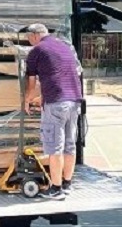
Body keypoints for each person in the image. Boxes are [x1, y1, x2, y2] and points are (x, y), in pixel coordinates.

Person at [23, 23, 83, 200]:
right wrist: (44, 96)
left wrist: (27, 100)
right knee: (70, 145)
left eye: (28, 38)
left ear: (35, 35)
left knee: (54, 146)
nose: (29, 41)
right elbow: (62, 76)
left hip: (56, 104)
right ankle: (67, 184)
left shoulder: (37, 51)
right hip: (74, 101)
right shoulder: (65, 47)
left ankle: (56, 189)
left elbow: (31, 83)